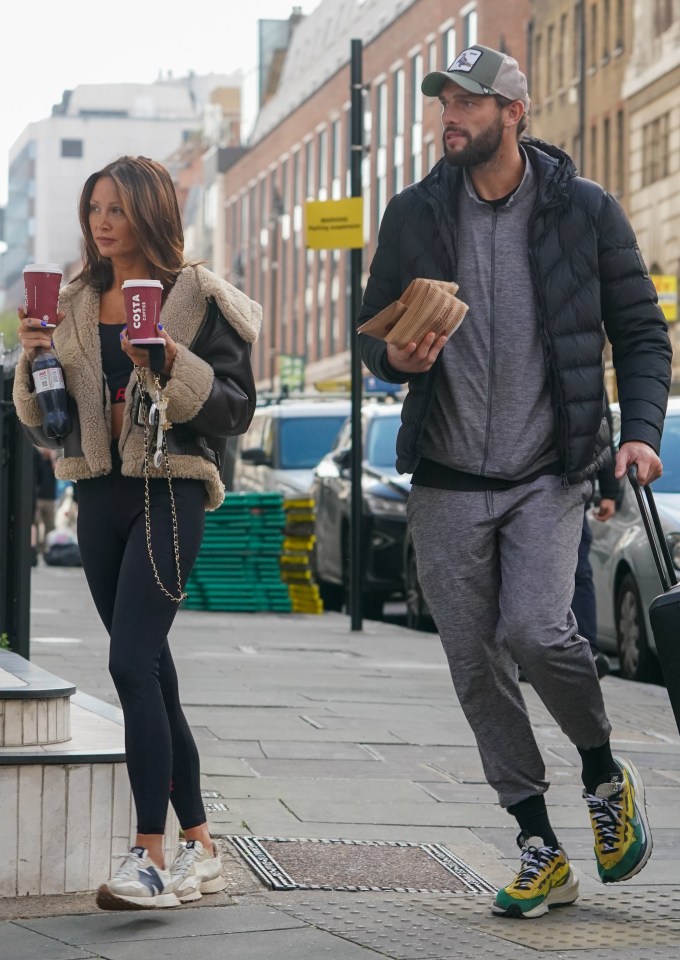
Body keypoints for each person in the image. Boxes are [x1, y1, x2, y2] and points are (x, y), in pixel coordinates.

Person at [357, 45, 672, 919]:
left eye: (466, 103)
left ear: (513, 112)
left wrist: (640, 435)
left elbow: (643, 333)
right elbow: (370, 333)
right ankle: (538, 841)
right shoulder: (416, 213)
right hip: (447, 478)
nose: (448, 118)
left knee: (538, 631)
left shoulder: (585, 211)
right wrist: (393, 353)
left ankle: (605, 776)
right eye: (442, 104)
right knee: (475, 665)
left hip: (549, 471)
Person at [14, 156, 260, 910]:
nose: (102, 221)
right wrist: (34, 358)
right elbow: (43, 421)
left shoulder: (201, 296)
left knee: (127, 663)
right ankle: (202, 845)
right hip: (97, 495)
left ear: (150, 211)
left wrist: (169, 359)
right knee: (153, 669)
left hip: (168, 490)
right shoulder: (77, 298)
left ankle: (148, 855)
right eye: (95, 207)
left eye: (117, 208)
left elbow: (234, 409)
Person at [573, 401, 620, 679]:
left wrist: (610, 493)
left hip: (571, 484)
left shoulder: (585, 360)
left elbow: (600, 429)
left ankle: (587, 650)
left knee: (578, 569)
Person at [33, 447, 57, 559]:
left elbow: (57, 473)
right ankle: (37, 549)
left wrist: (52, 458)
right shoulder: (38, 458)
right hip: (39, 498)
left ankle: (49, 548)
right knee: (36, 523)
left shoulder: (52, 461)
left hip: (50, 498)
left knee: (50, 525)